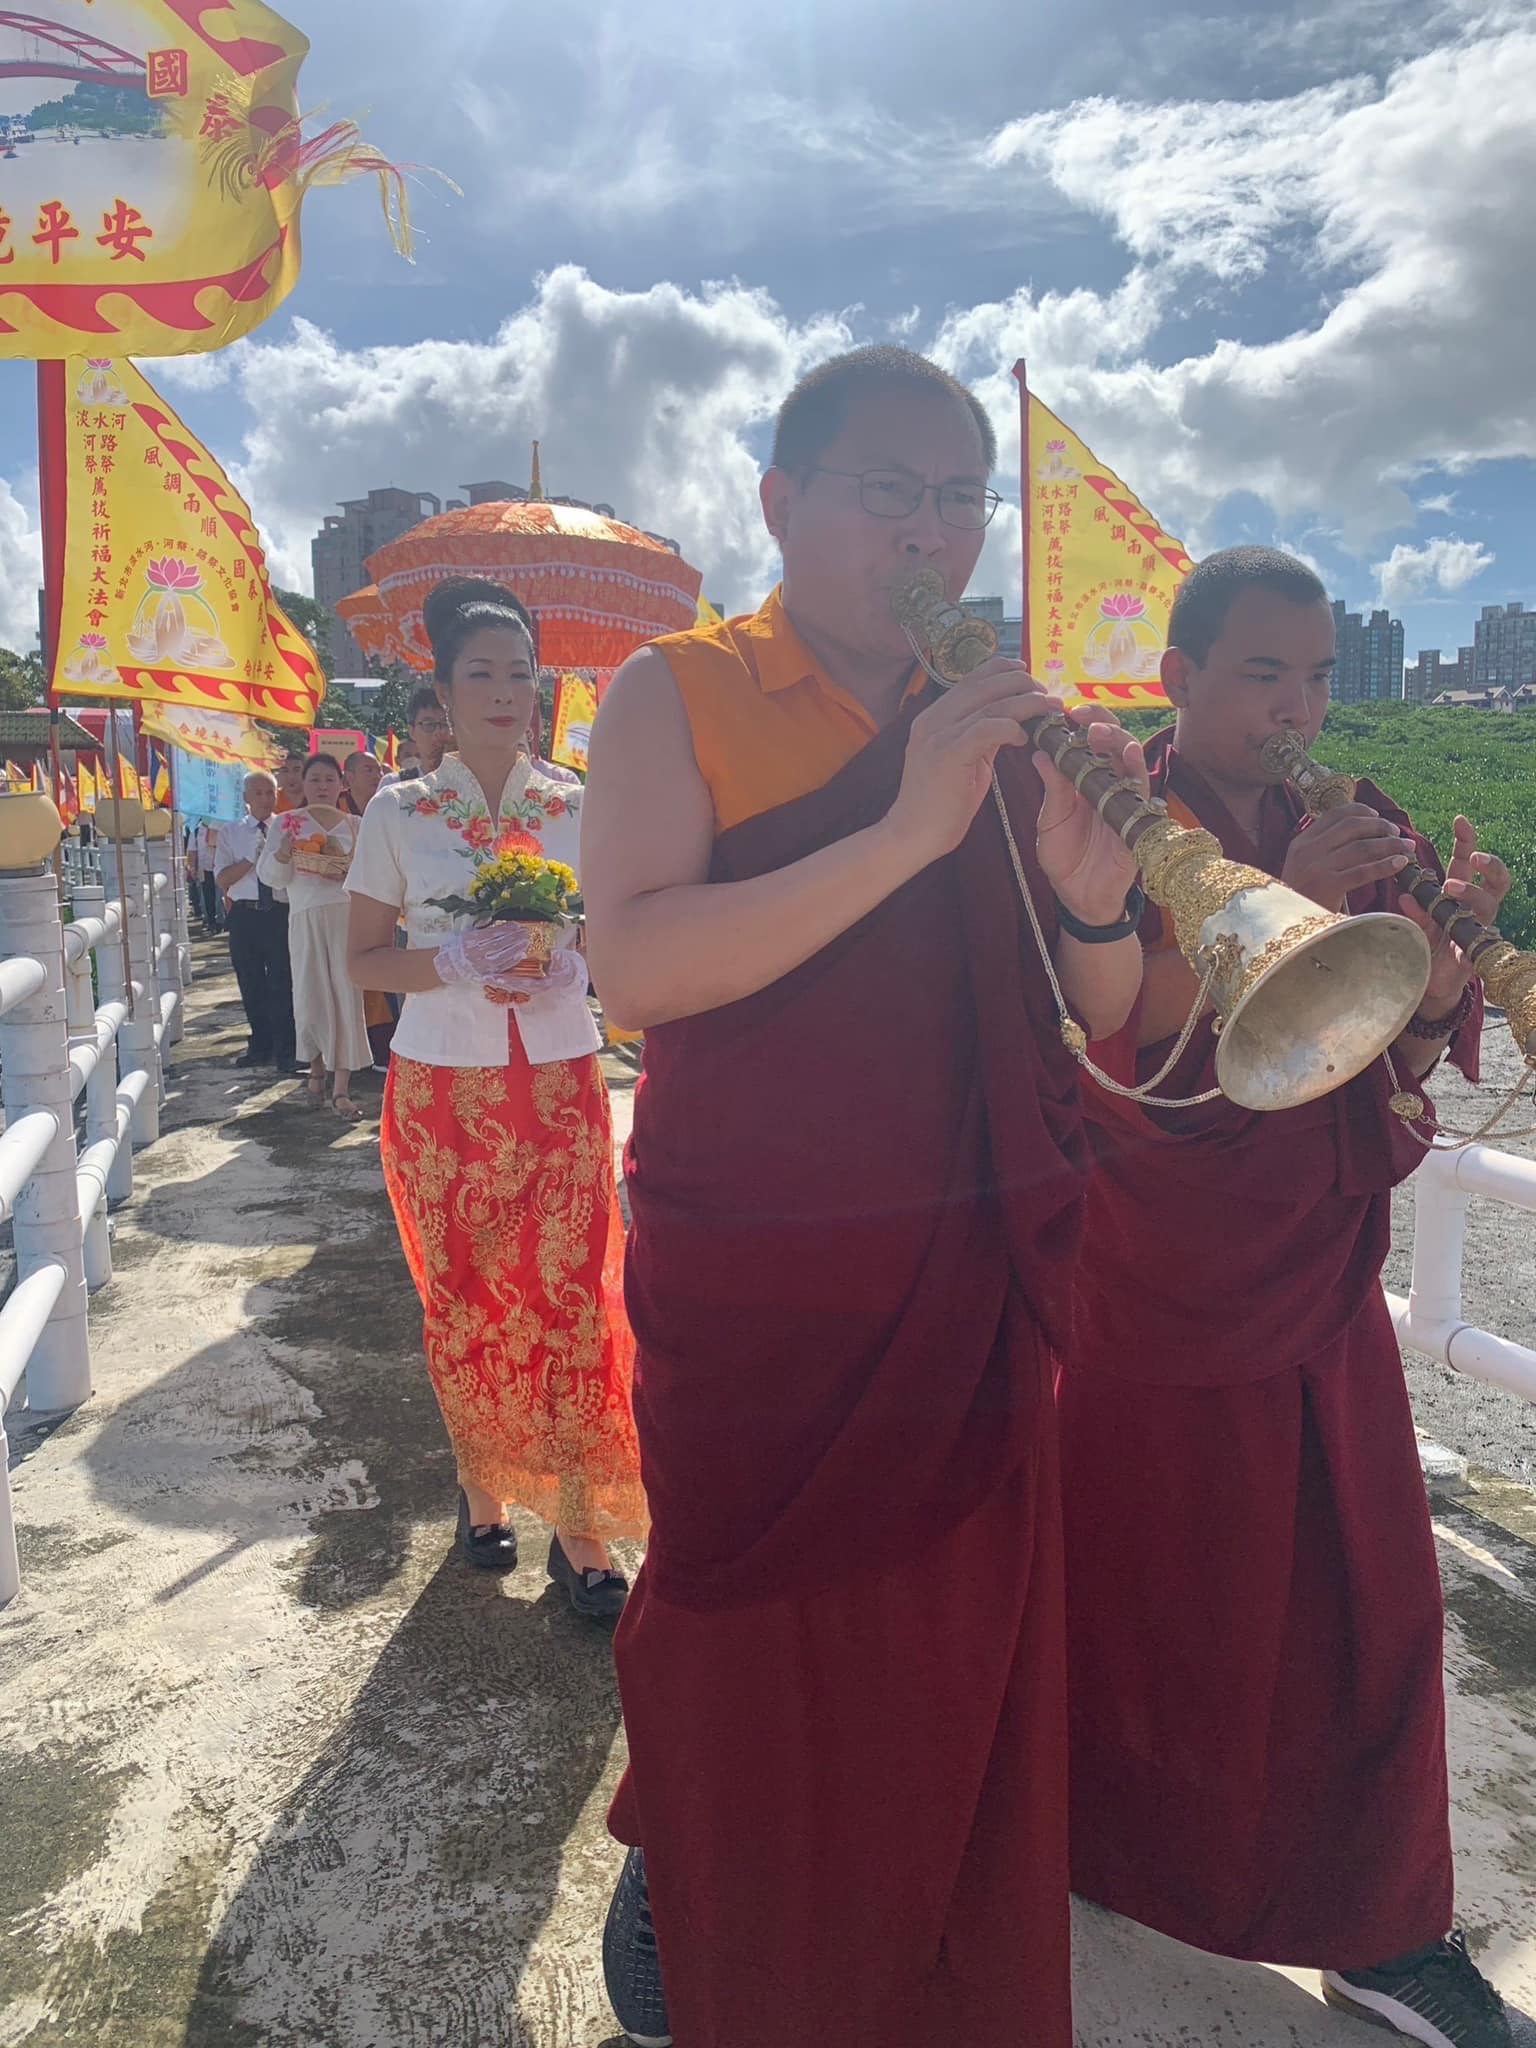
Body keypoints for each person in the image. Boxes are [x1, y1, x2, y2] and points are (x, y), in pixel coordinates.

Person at [581, 345, 1148, 2048]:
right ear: (780, 500)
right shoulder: (680, 691)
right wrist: (905, 828)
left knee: (944, 1641)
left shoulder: (1006, 718)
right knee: (733, 1615)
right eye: (887, 490)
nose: (930, 531)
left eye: (959, 497)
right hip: (760, 1273)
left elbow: (1102, 1011)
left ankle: (931, 1941)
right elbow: (636, 968)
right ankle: (694, 1866)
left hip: (964, 1259)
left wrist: (1094, 901)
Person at [1059, 547, 1513, 2048]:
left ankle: (1386, 1927)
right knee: (1143, 1601)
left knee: (1369, 1611)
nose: (1298, 709)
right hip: (1154, 1273)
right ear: (1179, 678)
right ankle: (1100, 1843)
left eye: (1318, 676)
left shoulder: (1362, 819)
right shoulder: (1114, 809)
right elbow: (1104, 1035)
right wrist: (1282, 908)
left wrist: (1438, 978)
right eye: (1265, 673)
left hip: (1316, 1272)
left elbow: (1391, 1049)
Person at [347, 576, 646, 1619]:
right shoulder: (398, 811)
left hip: (559, 1076)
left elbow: (614, 939)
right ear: (443, 687)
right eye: (482, 673)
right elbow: (363, 960)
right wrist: (451, 961)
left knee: (571, 1293)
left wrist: (577, 966)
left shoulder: (577, 803)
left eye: (522, 673)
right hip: (442, 1084)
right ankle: (484, 1486)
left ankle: (581, 1524)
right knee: (464, 1291)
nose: (507, 691)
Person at [257, 753, 371, 1120]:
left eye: (329, 779)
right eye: (315, 779)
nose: (322, 786)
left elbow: (373, 874)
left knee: (346, 997)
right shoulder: (287, 823)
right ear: (303, 784)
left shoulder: (356, 825)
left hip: (346, 919)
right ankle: (316, 1072)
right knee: (310, 996)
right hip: (305, 917)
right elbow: (270, 877)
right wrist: (282, 854)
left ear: (342, 784)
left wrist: (347, 875)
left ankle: (341, 1089)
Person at [217, 772, 296, 1071]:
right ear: (246, 798)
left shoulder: (286, 827)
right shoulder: (231, 832)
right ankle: (260, 1045)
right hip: (245, 913)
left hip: (279, 911)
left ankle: (287, 1049)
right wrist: (251, 859)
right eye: (258, 793)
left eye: (270, 793)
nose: (265, 799)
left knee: (283, 982)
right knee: (251, 982)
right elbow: (223, 878)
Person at [341, 748, 384, 817]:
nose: (377, 776)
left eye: (379, 770)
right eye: (368, 770)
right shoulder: (335, 803)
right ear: (349, 776)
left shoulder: (387, 803)